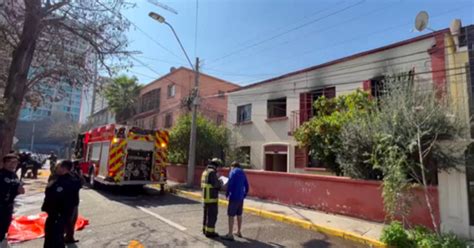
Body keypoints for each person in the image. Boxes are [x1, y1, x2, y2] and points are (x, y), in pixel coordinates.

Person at [42, 160, 80, 248]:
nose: (56, 168)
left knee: (56, 236)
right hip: (56, 213)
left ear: (64, 169)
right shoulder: (57, 177)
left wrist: (58, 213)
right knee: (52, 236)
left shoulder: (69, 181)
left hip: (59, 213)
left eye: (58, 167)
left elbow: (62, 198)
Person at [0, 153, 25, 247]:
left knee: (4, 227)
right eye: (10, 162)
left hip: (8, 207)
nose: (13, 165)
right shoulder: (1, 174)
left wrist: (20, 190)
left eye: (15, 162)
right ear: (4, 163)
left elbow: (17, 190)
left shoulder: (14, 176)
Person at [222, 161, 249, 241]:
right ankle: (239, 231)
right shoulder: (243, 173)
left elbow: (230, 184)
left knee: (231, 215)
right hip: (241, 197)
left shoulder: (232, 172)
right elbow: (247, 186)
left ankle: (230, 234)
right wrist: (244, 195)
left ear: (232, 166)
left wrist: (227, 194)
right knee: (239, 214)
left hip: (233, 197)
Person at [201, 158, 223, 238]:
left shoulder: (205, 171)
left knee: (206, 214)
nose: (218, 168)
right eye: (218, 167)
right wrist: (220, 182)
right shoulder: (212, 173)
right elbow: (216, 185)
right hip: (211, 198)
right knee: (212, 215)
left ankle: (204, 229)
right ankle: (210, 232)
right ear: (216, 165)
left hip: (205, 198)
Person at [64, 160, 84, 244]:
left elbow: (81, 183)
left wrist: (80, 174)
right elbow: (78, 184)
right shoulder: (64, 176)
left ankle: (69, 237)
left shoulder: (74, 174)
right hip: (68, 203)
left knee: (72, 221)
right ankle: (63, 238)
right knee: (68, 221)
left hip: (74, 202)